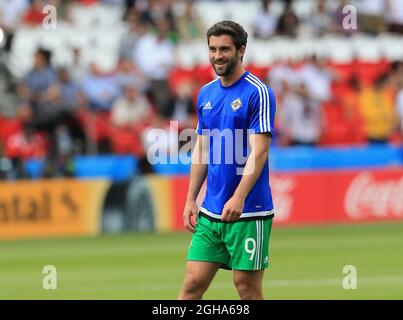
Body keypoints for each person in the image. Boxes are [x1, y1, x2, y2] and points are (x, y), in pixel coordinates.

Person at [178, 20, 276, 300]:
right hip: (211, 210)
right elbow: (202, 149)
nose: (217, 55)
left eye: (224, 49)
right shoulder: (206, 93)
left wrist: (239, 196)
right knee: (192, 284)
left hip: (249, 210)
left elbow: (260, 151)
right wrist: (190, 199)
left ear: (241, 50)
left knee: (246, 287)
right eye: (212, 49)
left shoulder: (258, 92)